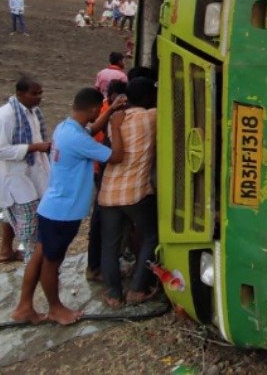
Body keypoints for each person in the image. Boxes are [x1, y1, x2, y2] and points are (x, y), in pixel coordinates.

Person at [11, 88, 126, 325]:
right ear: (94, 108)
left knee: (41, 256)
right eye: (100, 109)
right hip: (64, 212)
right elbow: (115, 157)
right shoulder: (77, 138)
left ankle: (24, 306)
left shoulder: (66, 128)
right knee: (52, 263)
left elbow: (91, 130)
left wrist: (111, 110)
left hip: (51, 207)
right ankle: (55, 308)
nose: (100, 113)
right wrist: (115, 124)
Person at [99, 78, 159, 307]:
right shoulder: (150, 117)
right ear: (146, 97)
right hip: (135, 192)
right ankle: (137, 289)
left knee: (110, 245)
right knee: (151, 236)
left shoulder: (115, 120)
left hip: (109, 192)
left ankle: (114, 294)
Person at [0, 77, 52, 264]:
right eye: (34, 94)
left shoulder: (33, 112)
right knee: (29, 226)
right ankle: (33, 264)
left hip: (32, 172)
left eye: (40, 93)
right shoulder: (4, 117)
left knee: (22, 217)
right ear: (20, 94)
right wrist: (33, 148)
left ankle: (9, 252)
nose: (39, 97)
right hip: (12, 176)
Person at [86, 79, 129, 282]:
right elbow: (115, 155)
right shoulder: (112, 116)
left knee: (103, 222)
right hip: (103, 170)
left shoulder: (110, 111)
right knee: (102, 223)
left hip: (101, 170)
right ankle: (97, 268)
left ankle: (99, 265)